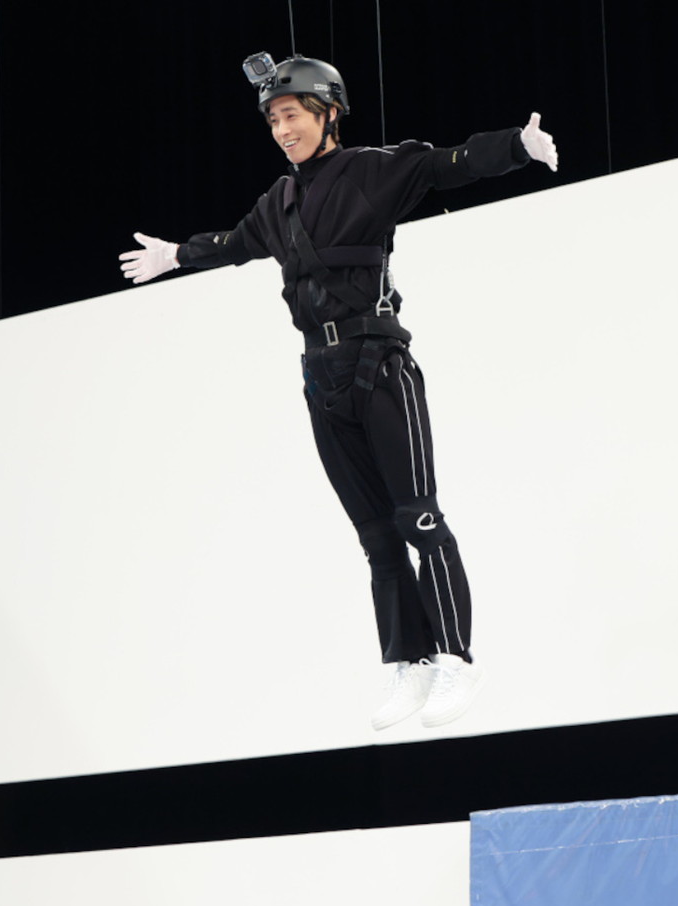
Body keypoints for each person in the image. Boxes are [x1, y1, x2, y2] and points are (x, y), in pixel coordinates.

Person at [119, 52, 557, 729]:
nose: (282, 130)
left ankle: (456, 658)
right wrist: (176, 254)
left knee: (418, 519)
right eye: (273, 120)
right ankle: (408, 663)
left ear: (328, 113)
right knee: (376, 536)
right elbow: (235, 244)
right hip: (320, 378)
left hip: (379, 366)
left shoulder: (372, 171)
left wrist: (518, 147)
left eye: (292, 115)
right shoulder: (279, 202)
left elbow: (450, 164)